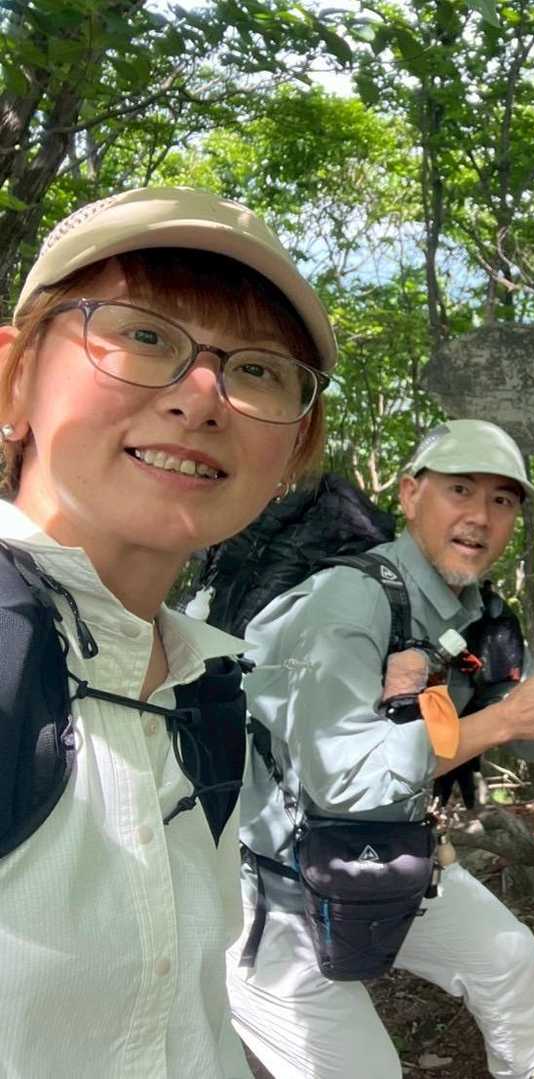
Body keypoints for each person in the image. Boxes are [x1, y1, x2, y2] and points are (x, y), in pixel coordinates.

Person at [226, 418, 534, 1079]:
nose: (481, 516)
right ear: (410, 495)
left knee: (505, 955)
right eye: (459, 489)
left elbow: (528, 731)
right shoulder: (348, 600)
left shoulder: (475, 616)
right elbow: (344, 778)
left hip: (382, 855)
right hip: (269, 895)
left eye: (502, 499)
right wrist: (501, 721)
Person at [0, 186, 335, 1077]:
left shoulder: (204, 686)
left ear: (292, 452)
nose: (203, 397)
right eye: (145, 334)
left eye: (259, 370)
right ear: (12, 380)